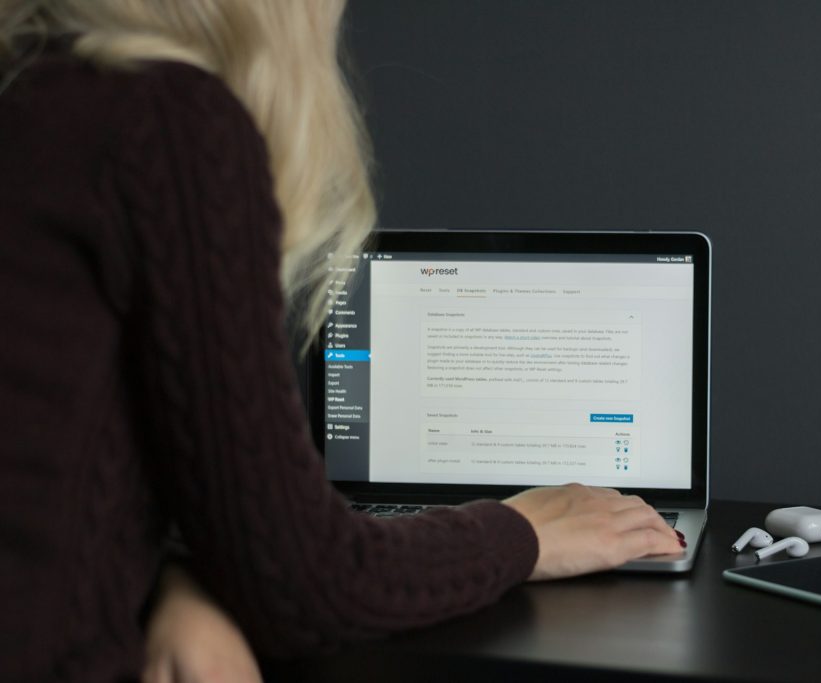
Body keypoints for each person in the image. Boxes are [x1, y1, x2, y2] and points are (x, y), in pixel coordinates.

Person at [0, 1, 682, 681]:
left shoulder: (32, 91)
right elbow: (309, 581)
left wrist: (188, 578)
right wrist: (527, 531)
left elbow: (67, 459)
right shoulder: (162, 120)